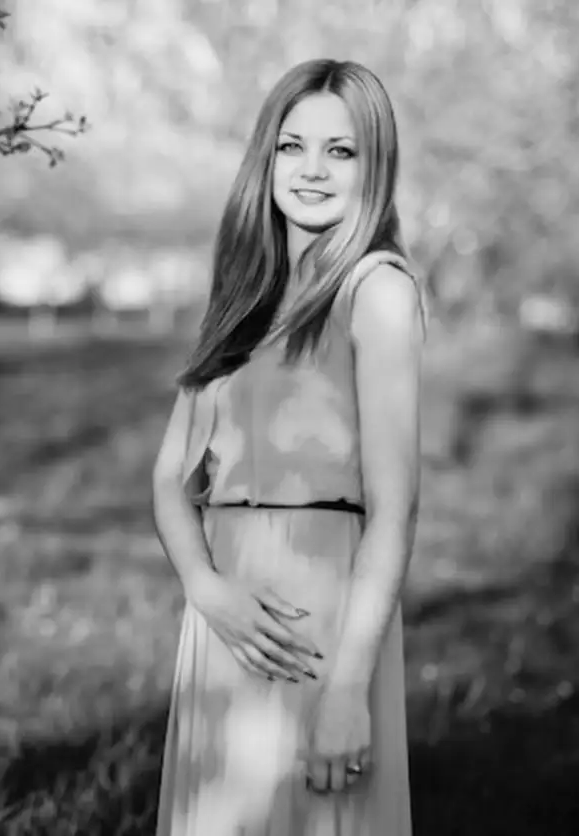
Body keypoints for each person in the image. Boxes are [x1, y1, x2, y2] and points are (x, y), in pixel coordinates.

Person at [151, 58, 427, 835]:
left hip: (321, 619)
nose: (311, 170)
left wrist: (348, 689)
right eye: (292, 146)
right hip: (223, 614)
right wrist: (207, 590)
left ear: (375, 168)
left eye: (341, 152)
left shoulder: (377, 291)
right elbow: (171, 480)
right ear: (265, 156)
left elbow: (396, 512)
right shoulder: (244, 297)